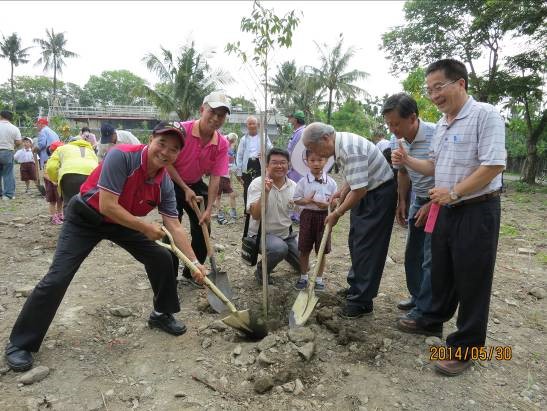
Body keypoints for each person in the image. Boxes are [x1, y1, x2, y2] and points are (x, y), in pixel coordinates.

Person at [4, 121, 207, 373]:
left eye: (174, 149)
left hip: (122, 222)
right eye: (162, 144)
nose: (165, 152)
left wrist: (195, 263)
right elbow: (107, 206)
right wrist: (144, 227)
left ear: (178, 155)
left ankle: (161, 314)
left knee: (161, 257)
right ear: (150, 140)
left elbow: (174, 226)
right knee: (58, 277)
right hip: (86, 216)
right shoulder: (121, 156)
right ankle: (20, 343)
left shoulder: (165, 182)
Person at [392, 59, 506, 376]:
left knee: (472, 279)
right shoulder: (442, 123)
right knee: (441, 270)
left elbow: (493, 165)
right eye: (429, 90)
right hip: (444, 209)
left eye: (438, 87)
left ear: (460, 83)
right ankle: (431, 319)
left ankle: (465, 348)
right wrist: (407, 161)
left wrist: (454, 192)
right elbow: (434, 168)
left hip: (476, 208)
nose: (434, 95)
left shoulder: (486, 115)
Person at [302, 122, 396, 318]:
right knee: (356, 241)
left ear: (325, 139)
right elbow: (354, 178)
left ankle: (362, 301)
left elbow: (360, 189)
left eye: (312, 148)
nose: (313, 153)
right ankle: (356, 288)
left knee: (367, 246)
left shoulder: (349, 148)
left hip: (377, 195)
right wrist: (341, 192)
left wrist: (337, 214)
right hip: (367, 192)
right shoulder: (340, 145)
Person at [166, 91, 230, 286]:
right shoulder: (182, 131)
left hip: (194, 183)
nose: (216, 118)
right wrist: (184, 188)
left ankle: (191, 272)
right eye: (212, 112)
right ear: (202, 110)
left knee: (204, 225)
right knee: (172, 227)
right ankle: (169, 274)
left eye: (221, 115)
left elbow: (215, 179)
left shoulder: (221, 143)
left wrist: (209, 209)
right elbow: (167, 162)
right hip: (170, 182)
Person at [382, 93, 436, 319]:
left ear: (412, 117)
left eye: (396, 123)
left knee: (430, 257)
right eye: (389, 124)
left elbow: (445, 172)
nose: (392, 129)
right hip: (418, 199)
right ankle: (417, 297)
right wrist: (402, 200)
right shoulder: (398, 139)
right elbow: (403, 172)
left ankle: (426, 310)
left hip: (438, 202)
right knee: (412, 253)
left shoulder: (436, 134)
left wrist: (432, 204)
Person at [247, 148, 299, 285]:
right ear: (267, 165)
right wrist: (265, 192)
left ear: (289, 165)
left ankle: (285, 252)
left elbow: (300, 211)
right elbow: (256, 215)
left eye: (283, 162)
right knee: (279, 248)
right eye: (274, 162)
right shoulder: (258, 184)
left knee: (303, 266)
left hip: (286, 234)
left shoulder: (294, 186)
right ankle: (261, 271)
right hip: (262, 235)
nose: (279, 166)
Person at [292, 149, 337, 291]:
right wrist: (306, 201)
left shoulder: (331, 182)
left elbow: (336, 201)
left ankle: (318, 279)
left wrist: (329, 204)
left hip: (324, 217)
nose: (316, 164)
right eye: (312, 160)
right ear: (307, 162)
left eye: (320, 160)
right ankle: (304, 276)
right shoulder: (303, 182)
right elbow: (296, 200)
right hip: (307, 216)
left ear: (326, 161)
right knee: (304, 248)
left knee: (322, 249)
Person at [46, 137, 99, 212]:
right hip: (91, 175)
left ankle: (70, 222)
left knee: (69, 203)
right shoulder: (91, 151)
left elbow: (51, 167)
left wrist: (55, 179)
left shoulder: (62, 148)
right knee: (88, 203)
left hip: (69, 175)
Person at [236, 116, 272, 211]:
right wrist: (239, 171)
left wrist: (264, 152)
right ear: (247, 125)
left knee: (260, 186)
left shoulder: (263, 136)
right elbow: (239, 155)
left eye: (254, 123)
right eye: (249, 124)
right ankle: (248, 209)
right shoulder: (244, 139)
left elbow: (271, 149)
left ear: (257, 125)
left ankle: (259, 208)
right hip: (247, 164)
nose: (252, 126)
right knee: (247, 187)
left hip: (259, 164)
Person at [286, 110, 306, 223]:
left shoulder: (301, 132)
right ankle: (294, 214)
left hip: (297, 166)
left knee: (296, 190)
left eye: (291, 118)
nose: (290, 120)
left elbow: (296, 150)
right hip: (294, 166)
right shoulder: (298, 131)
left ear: (296, 119)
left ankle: (297, 216)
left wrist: (291, 164)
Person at [215, 132, 238, 224]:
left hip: (226, 176)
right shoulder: (222, 145)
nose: (231, 142)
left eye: (232, 141)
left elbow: (232, 164)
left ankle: (232, 214)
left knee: (230, 195)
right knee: (218, 196)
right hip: (220, 175)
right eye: (231, 140)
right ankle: (220, 215)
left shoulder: (231, 149)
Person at [0, 110, 22, 200]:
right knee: (8, 173)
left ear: (1, 116)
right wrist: (13, 146)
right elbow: (19, 142)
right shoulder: (14, 128)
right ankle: (8, 195)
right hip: (7, 151)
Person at [44, 141, 65, 225]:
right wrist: (53, 181)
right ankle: (53, 216)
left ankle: (60, 214)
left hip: (58, 183)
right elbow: (45, 174)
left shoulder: (61, 161)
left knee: (60, 200)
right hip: (51, 184)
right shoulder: (49, 161)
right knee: (53, 201)